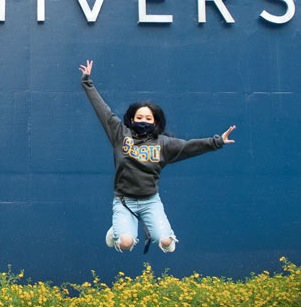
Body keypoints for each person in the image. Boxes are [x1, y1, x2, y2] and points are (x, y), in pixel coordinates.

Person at [79, 60, 236, 253]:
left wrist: (217, 141)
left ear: (155, 122)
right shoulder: (120, 134)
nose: (143, 121)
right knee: (126, 243)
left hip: (150, 202)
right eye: (139, 118)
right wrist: (87, 81)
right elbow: (103, 111)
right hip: (124, 201)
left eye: (148, 118)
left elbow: (189, 146)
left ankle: (149, 234)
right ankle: (117, 232)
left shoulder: (163, 143)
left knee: (167, 244)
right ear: (131, 120)